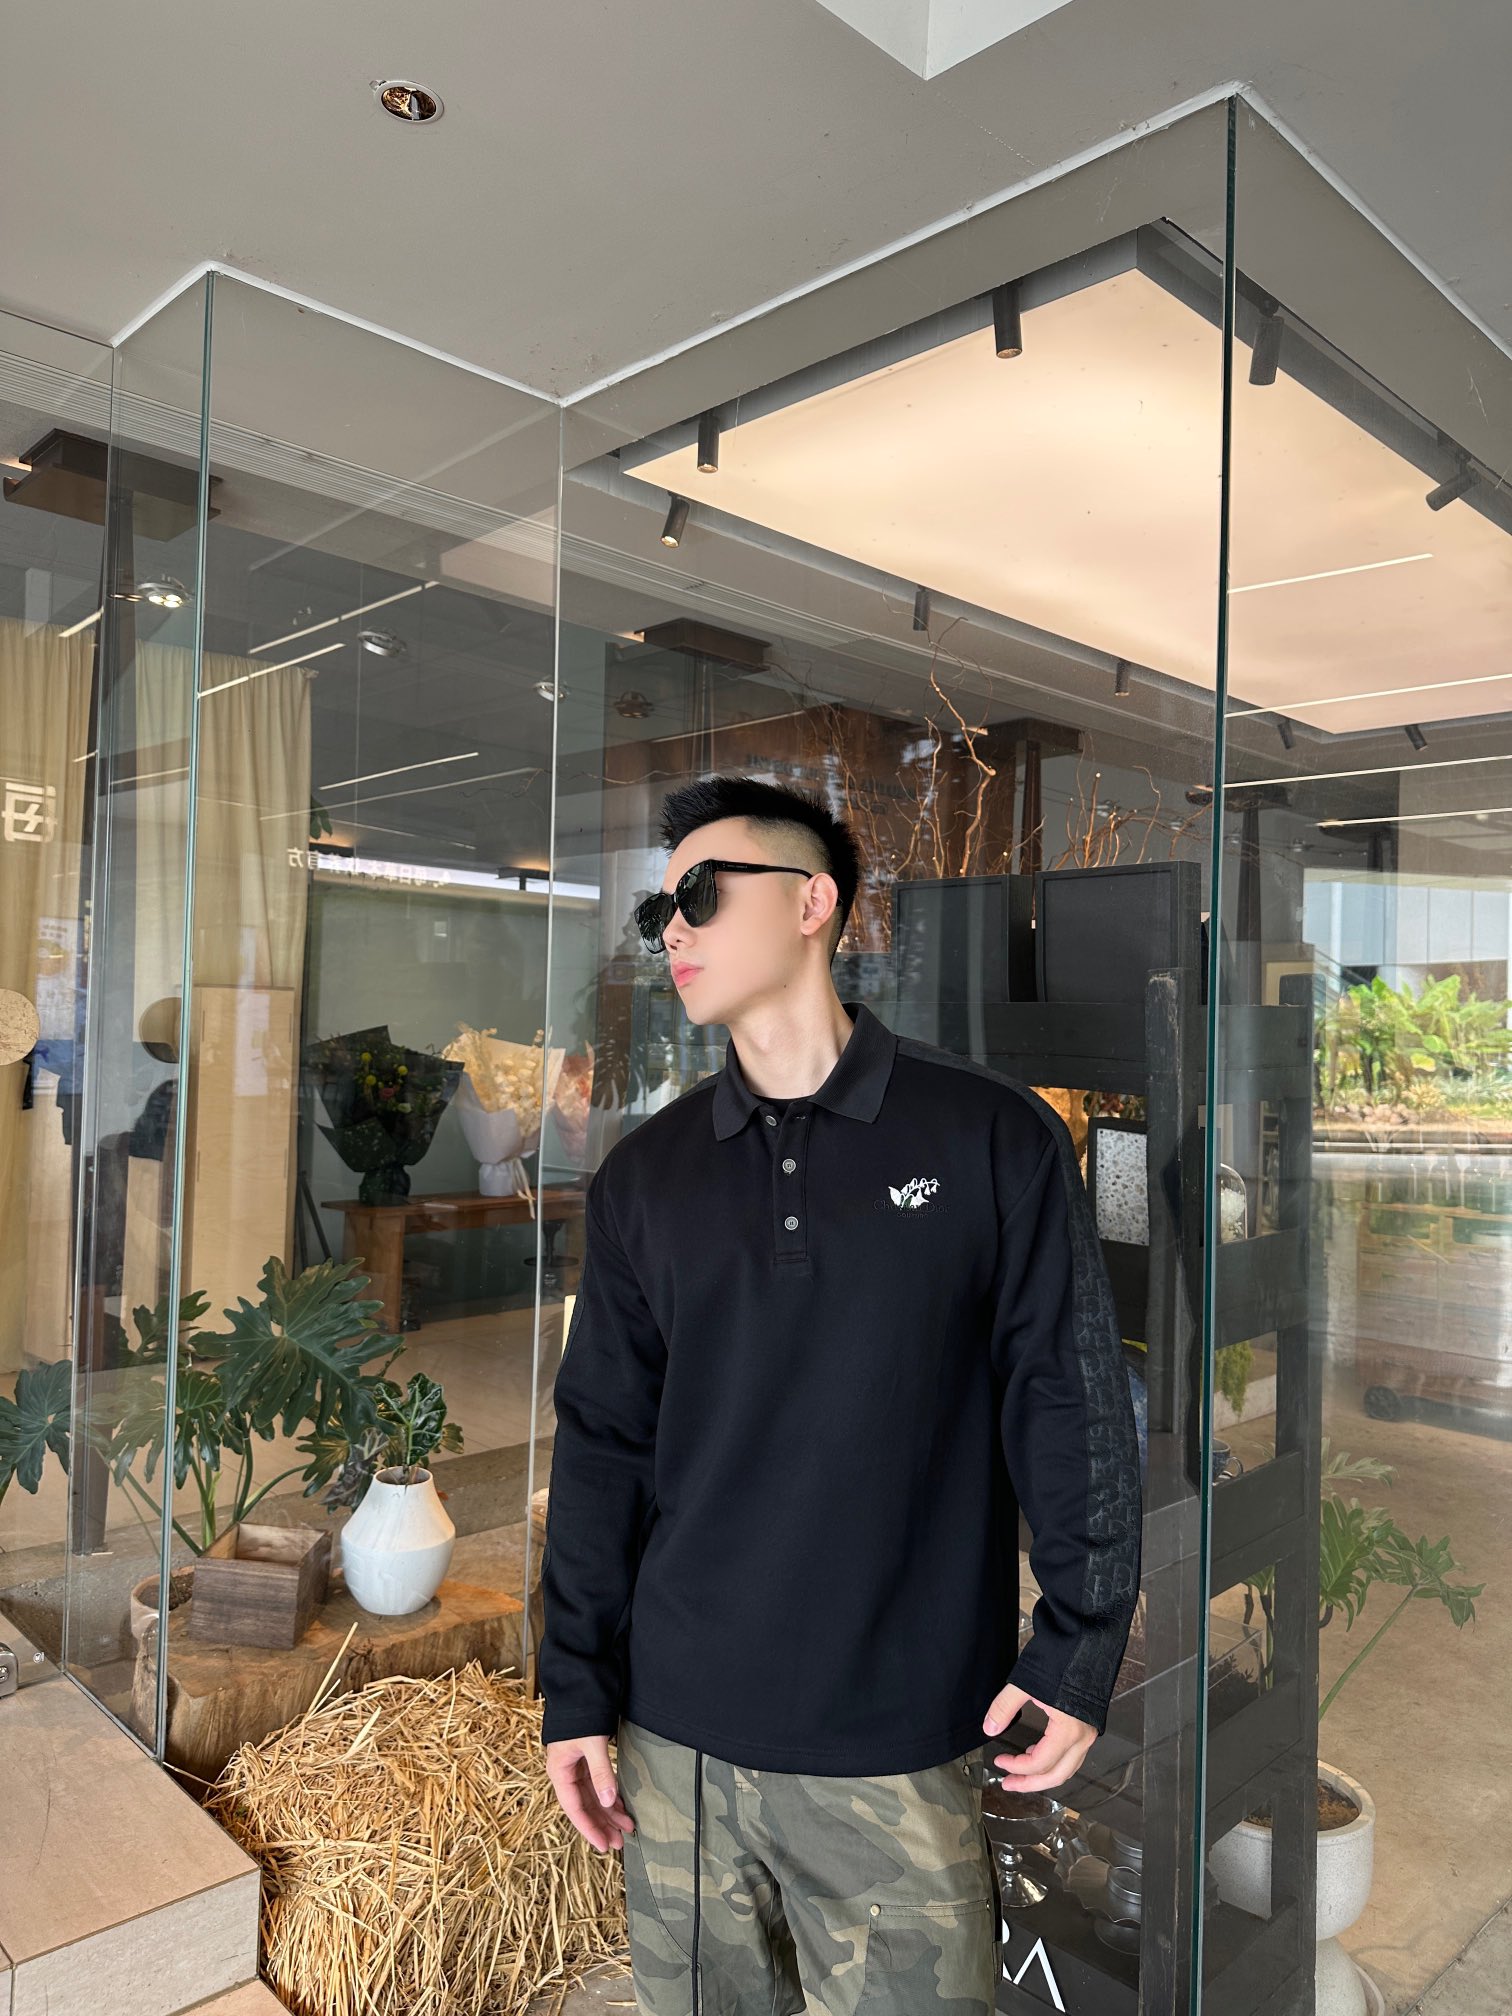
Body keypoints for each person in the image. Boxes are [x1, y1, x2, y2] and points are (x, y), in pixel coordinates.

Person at [538, 774, 1142, 2015]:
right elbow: (604, 1443)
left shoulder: (988, 1138)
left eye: (702, 896)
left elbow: (1068, 1396)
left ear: (814, 903)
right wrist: (576, 1685)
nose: (672, 931)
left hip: (896, 1738)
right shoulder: (647, 1177)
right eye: (659, 912)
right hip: (675, 1742)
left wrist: (1081, 1643)